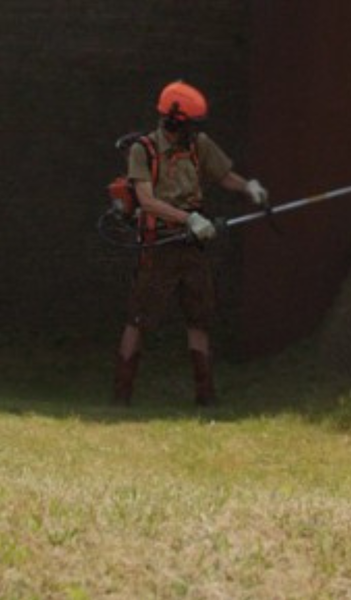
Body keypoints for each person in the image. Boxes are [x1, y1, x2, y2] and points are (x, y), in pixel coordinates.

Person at [112, 80, 269, 407]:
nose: (193, 131)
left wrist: (247, 187)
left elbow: (224, 175)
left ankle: (206, 396)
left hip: (193, 246)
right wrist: (189, 220)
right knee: (139, 318)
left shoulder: (199, 145)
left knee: (200, 318)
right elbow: (146, 200)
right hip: (160, 244)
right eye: (189, 124)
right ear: (173, 120)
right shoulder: (144, 150)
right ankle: (122, 396)